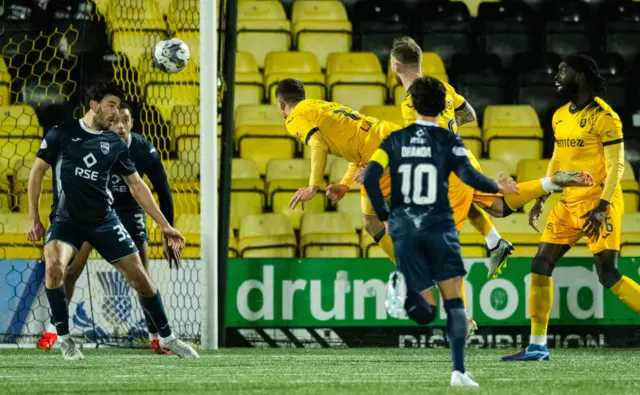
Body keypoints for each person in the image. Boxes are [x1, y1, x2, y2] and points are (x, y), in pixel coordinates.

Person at [362, 76, 519, 387]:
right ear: (443, 106)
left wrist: (384, 215)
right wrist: (497, 187)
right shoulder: (450, 142)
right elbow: (470, 177)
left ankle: (409, 295)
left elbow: (370, 179)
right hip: (440, 229)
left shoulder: (396, 140)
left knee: (424, 313)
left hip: (406, 228)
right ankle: (458, 372)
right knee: (454, 303)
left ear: (413, 105)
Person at [27, 81, 198, 360]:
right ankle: (65, 338)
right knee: (56, 269)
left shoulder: (115, 143)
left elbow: (138, 186)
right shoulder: (62, 134)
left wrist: (165, 225)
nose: (116, 113)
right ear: (94, 105)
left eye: (118, 107)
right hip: (67, 220)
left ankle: (169, 337)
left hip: (105, 221)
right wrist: (34, 218)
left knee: (141, 279)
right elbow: (37, 173)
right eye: (111, 105)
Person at [502, 55, 640, 362]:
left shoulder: (606, 117)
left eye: (563, 71)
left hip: (598, 203)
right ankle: (537, 346)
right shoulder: (559, 115)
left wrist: (603, 205)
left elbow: (618, 164)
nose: (556, 75)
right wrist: (541, 195)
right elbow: (558, 158)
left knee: (608, 273)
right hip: (567, 203)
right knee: (540, 265)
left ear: (580, 76)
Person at [276, 78, 401, 266]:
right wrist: (345, 184)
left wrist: (312, 187)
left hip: (377, 154)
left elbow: (318, 146)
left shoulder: (294, 118)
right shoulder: (320, 106)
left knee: (374, 221)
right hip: (389, 136)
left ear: (281, 103)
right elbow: (355, 145)